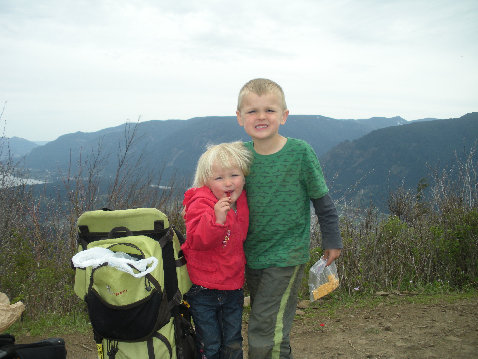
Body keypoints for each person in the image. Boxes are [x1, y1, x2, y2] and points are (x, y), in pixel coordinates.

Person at [235, 78, 343, 359]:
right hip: (251, 254)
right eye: (252, 111)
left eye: (270, 110)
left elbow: (323, 201)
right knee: (274, 324)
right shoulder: (240, 156)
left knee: (263, 326)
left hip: (286, 254)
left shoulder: (300, 153)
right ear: (239, 118)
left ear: (284, 116)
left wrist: (332, 240)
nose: (261, 117)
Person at [181, 141, 253, 359]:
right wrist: (217, 220)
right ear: (206, 181)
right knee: (210, 345)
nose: (228, 183)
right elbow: (197, 240)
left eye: (234, 175)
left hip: (232, 286)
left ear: (244, 176)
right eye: (219, 178)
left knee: (232, 342)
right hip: (203, 288)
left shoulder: (242, 201)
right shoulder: (201, 202)